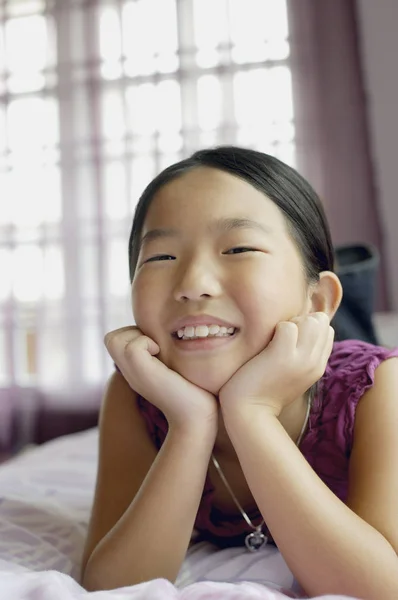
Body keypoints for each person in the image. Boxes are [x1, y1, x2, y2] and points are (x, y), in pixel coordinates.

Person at [81, 147, 398, 598]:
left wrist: (251, 413)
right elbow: (110, 586)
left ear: (319, 300)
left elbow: (378, 589)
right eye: (161, 258)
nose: (192, 284)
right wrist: (191, 423)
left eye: (240, 249)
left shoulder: (379, 388)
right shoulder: (137, 394)